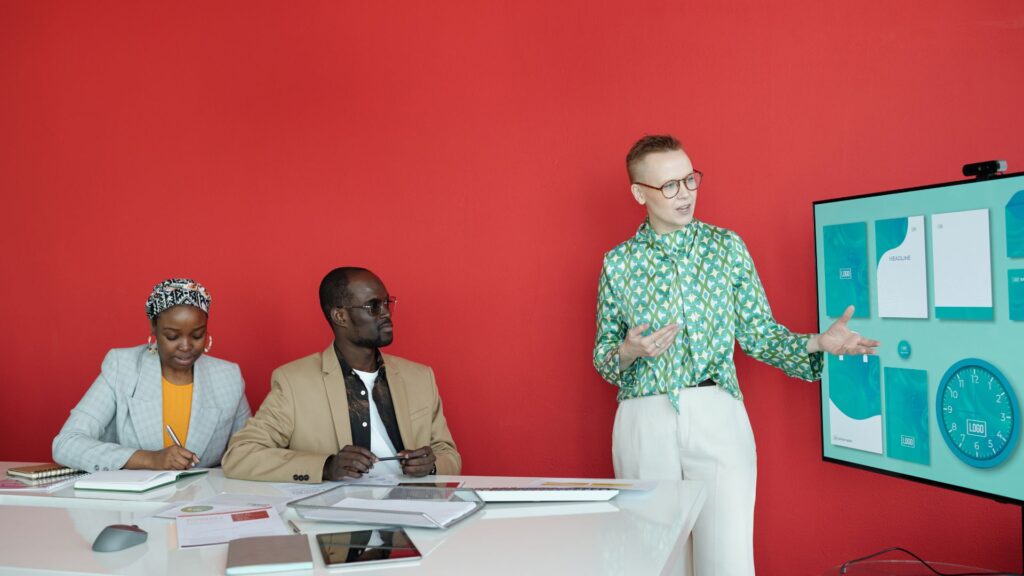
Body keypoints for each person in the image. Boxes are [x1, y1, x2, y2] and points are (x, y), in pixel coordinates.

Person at [593, 135, 879, 576]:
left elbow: (759, 335)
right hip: (642, 418)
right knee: (652, 564)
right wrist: (628, 351)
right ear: (639, 193)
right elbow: (604, 361)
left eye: (689, 179)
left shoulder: (726, 248)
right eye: (669, 185)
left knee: (727, 561)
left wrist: (817, 343)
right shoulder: (617, 264)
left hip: (718, 414)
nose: (684, 193)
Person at [222, 267, 460, 482]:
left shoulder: (419, 377)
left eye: (387, 303)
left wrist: (431, 465)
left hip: (415, 508)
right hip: (340, 516)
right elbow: (241, 455)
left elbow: (449, 454)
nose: (386, 313)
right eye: (373, 306)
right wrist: (326, 467)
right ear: (340, 316)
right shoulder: (294, 382)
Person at [53, 278, 251, 472]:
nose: (186, 346)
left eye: (197, 335)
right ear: (153, 328)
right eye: (172, 336)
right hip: (132, 503)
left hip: (204, 501)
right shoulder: (123, 367)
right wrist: (149, 459)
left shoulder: (229, 378)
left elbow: (246, 454)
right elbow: (66, 443)